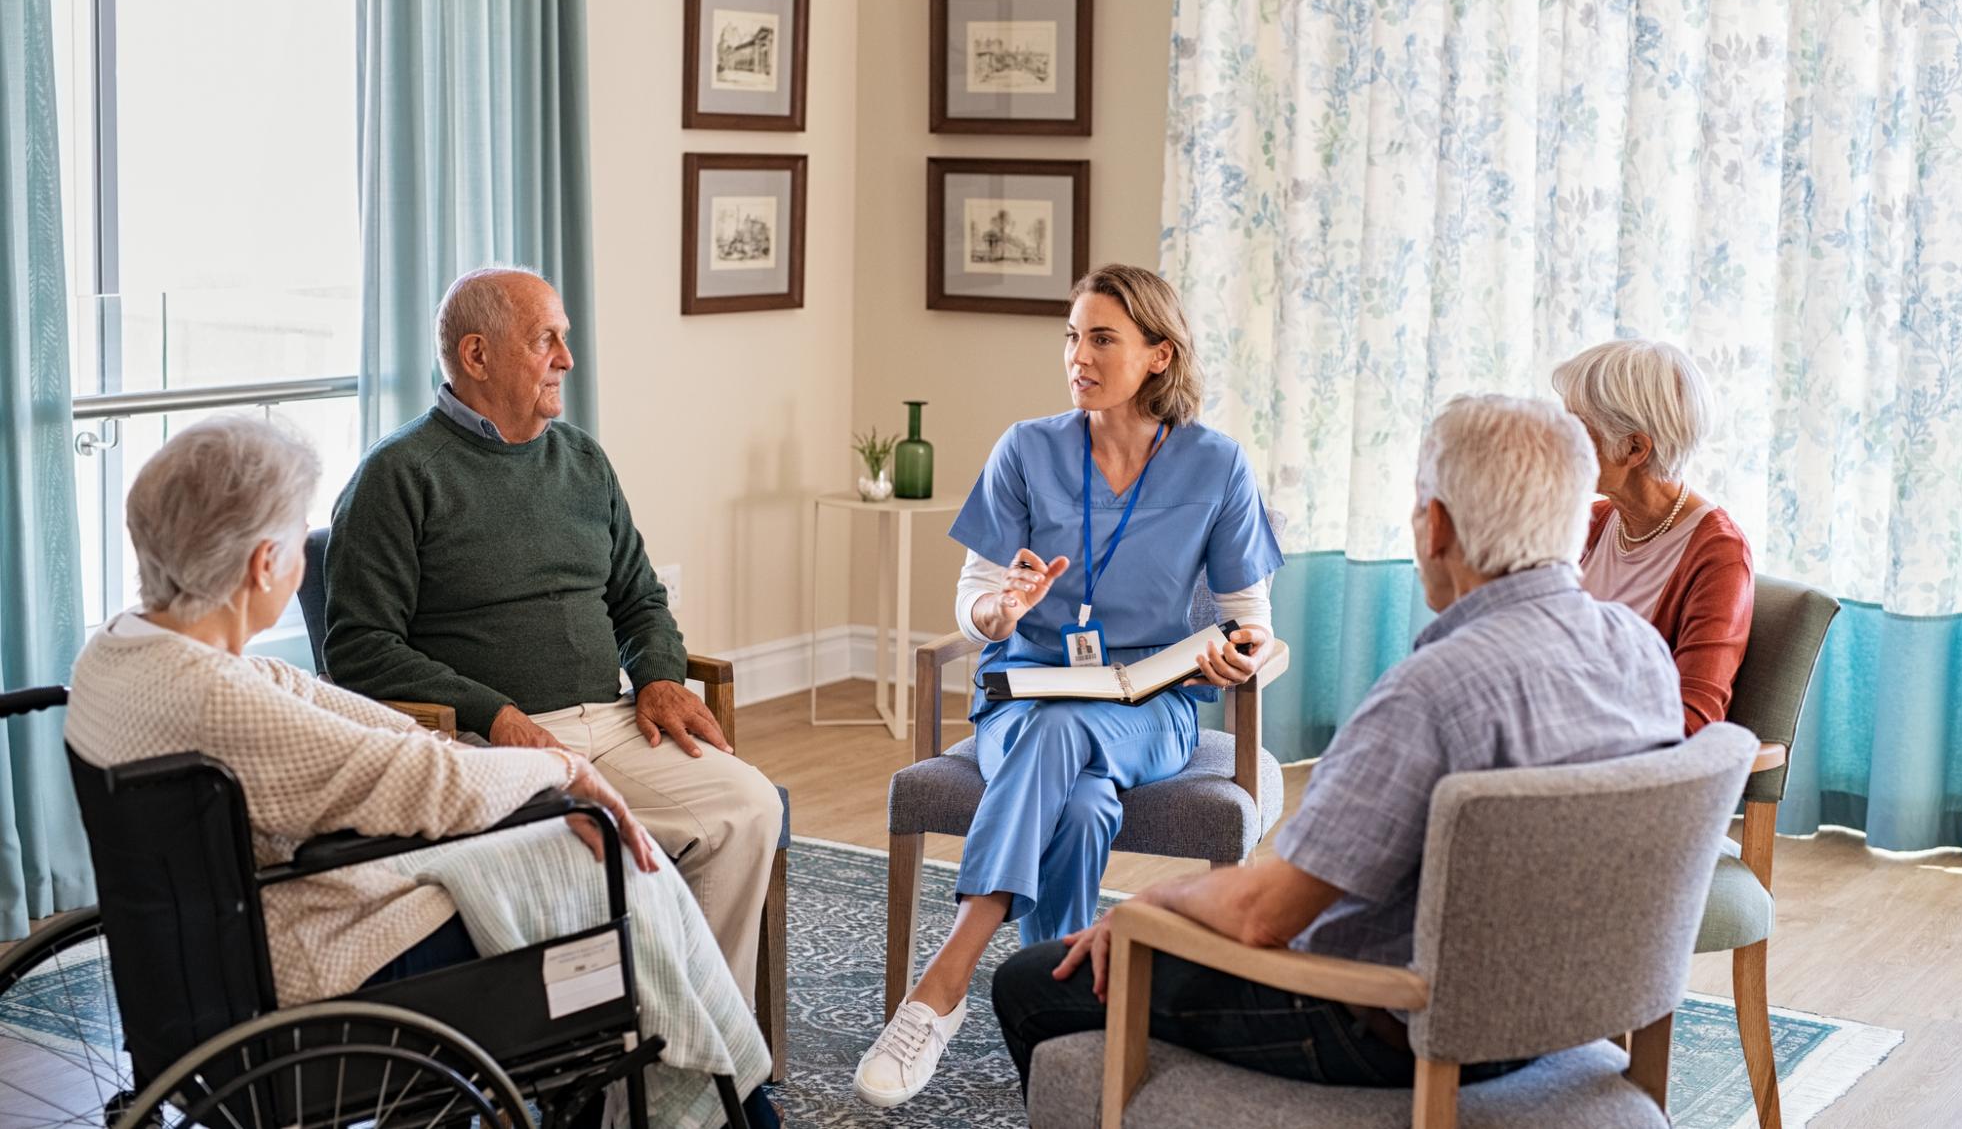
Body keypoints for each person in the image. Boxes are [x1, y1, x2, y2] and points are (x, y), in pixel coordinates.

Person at [64, 417, 776, 1127]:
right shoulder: (219, 700)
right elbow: (417, 785)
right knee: (612, 874)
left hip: (197, 971)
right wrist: (554, 767)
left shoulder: (118, 655)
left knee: (584, 852)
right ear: (263, 564)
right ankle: (714, 1103)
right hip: (318, 959)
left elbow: (314, 700)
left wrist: (481, 758)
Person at [990, 395, 1685, 1094]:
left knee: (1033, 980)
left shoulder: (1429, 694)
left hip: (1381, 1026)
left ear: (1435, 525)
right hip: (1557, 1019)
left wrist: (1149, 905)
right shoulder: (1643, 655)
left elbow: (1265, 917)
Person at [853, 264, 1285, 1108]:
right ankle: (1056, 1028)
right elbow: (975, 596)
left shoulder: (1216, 465)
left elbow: (1249, 616)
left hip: (1150, 709)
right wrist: (999, 613)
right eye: (1071, 336)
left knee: (1068, 736)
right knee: (1081, 800)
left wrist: (1245, 652)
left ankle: (942, 985)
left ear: (1160, 356)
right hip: (1024, 693)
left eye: (1101, 339)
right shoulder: (1027, 448)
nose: (1076, 356)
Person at [324, 267, 782, 1000]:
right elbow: (359, 647)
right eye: (546, 341)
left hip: (615, 719)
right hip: (489, 747)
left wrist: (660, 674)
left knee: (748, 806)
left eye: (563, 339)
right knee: (581, 853)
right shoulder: (398, 475)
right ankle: (602, 1051)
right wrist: (493, 715)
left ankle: (695, 1048)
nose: (567, 360)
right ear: (477, 356)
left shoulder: (582, 460)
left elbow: (638, 595)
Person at [1554, 339, 1755, 734]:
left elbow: (1693, 719)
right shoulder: (1589, 523)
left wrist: (1564, 730)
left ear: (1633, 448)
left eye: (1574, 430)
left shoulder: (1719, 556)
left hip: (1617, 773)